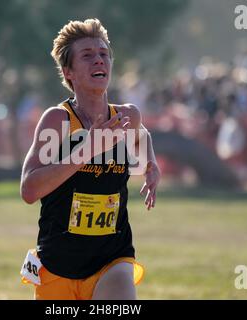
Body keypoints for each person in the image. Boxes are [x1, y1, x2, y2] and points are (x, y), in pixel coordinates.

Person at [20, 18, 161, 300]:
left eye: (103, 54)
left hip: (112, 258)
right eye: (87, 56)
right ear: (68, 71)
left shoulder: (126, 116)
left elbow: (141, 136)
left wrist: (151, 165)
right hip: (58, 264)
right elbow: (29, 189)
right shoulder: (58, 121)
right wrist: (87, 150)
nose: (99, 61)